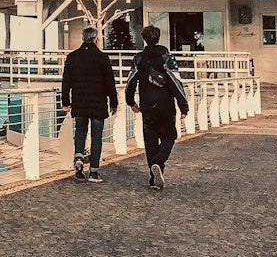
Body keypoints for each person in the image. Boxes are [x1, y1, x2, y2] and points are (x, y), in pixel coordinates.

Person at [125, 25, 189, 190]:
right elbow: (176, 82)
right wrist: (183, 105)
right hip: (166, 105)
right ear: (158, 38)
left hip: (147, 106)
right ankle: (158, 163)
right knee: (169, 135)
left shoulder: (139, 58)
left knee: (150, 141)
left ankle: (154, 177)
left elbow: (131, 81)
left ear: (144, 39)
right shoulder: (167, 58)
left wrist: (130, 101)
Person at [61, 26, 118, 184]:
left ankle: (79, 159)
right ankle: (93, 172)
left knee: (80, 130)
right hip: (98, 103)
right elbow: (109, 83)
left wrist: (65, 101)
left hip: (79, 101)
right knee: (96, 136)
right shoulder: (102, 58)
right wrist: (114, 102)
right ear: (96, 39)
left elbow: (66, 81)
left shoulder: (72, 57)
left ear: (82, 37)